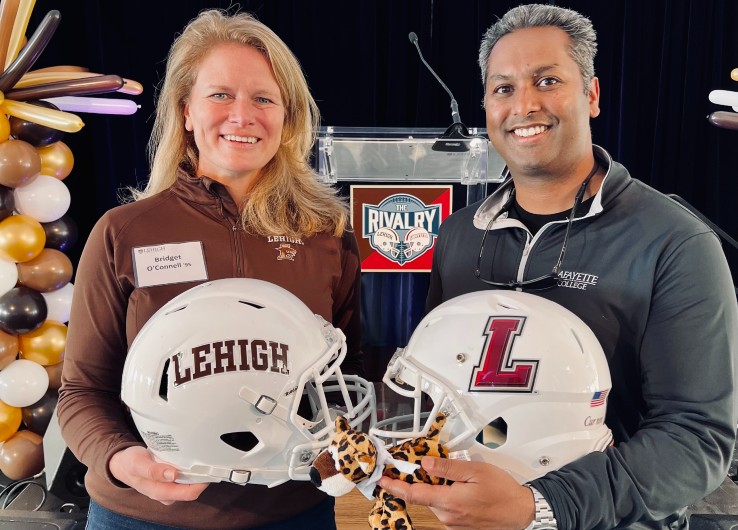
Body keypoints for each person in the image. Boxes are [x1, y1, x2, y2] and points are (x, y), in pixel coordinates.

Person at [378, 4, 738, 530]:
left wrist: (541, 506)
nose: (524, 104)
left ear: (591, 95)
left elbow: (698, 440)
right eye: (503, 88)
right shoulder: (459, 235)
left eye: (546, 81)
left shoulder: (675, 241)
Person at [56, 8, 364, 530]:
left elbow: (344, 375)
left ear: (286, 118)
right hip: (142, 516)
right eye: (220, 95)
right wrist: (121, 459)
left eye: (264, 98)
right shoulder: (122, 231)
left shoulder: (327, 234)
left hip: (291, 514)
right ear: (186, 113)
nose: (242, 115)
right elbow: (81, 394)